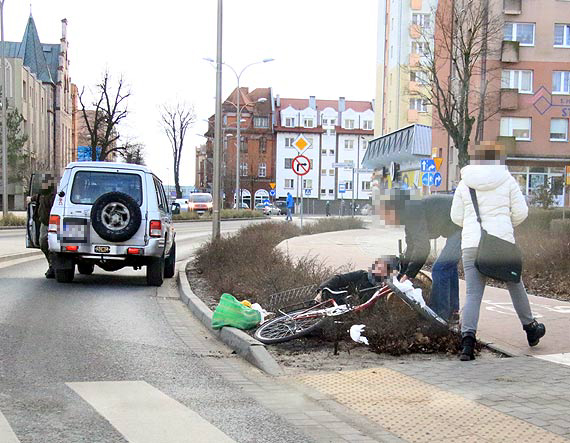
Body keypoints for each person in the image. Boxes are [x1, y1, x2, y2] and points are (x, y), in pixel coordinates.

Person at [450, 142, 545, 361]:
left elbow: (456, 217)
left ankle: (467, 342)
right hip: (502, 244)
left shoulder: (465, 183)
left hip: (472, 244)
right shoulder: (507, 179)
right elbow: (521, 212)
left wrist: (473, 226)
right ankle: (531, 329)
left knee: (473, 293)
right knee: (515, 284)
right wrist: (503, 225)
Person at [378, 188, 461, 323]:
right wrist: (401, 275)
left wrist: (409, 275)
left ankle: (439, 315)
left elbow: (423, 247)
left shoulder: (412, 211)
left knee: (440, 269)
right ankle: (453, 312)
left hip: (464, 226)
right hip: (458, 226)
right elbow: (411, 248)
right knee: (448, 268)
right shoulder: (410, 212)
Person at [315, 256, 398, 304]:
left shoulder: (384, 289)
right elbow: (339, 279)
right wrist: (321, 290)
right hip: (339, 303)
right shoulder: (361, 275)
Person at [32, 173, 57, 278]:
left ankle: (54, 266)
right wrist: (31, 199)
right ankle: (51, 264)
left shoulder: (55, 194)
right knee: (43, 243)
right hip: (44, 222)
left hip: (54, 223)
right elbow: (36, 200)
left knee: (53, 245)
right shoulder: (41, 193)